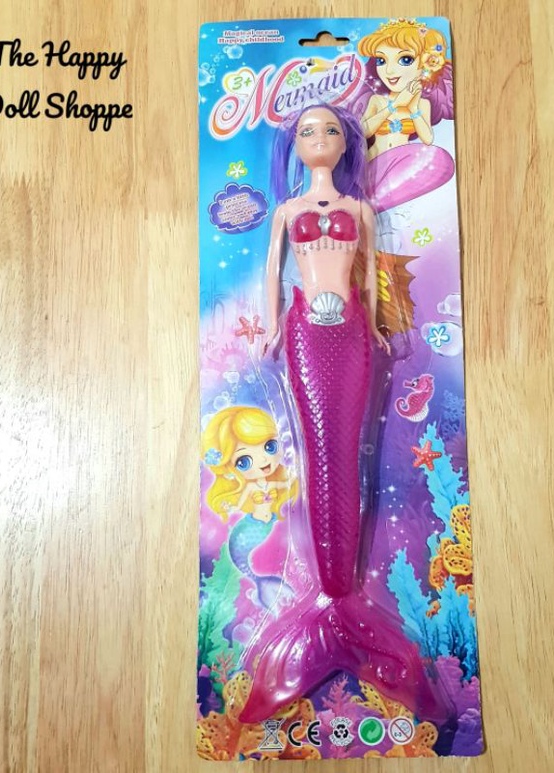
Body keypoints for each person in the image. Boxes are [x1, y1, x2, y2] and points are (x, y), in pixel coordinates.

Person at [238, 103, 445, 724]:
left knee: (347, 454)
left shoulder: (361, 210)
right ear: (296, 146)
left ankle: (342, 602)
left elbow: (371, 275)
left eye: (330, 130)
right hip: (305, 330)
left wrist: (379, 327)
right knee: (318, 452)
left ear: (345, 143)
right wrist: (273, 326)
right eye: (308, 131)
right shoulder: (287, 211)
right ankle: (331, 598)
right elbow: (273, 272)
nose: (319, 138)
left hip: (351, 329)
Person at [356, 18, 455, 213]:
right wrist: (394, 105)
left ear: (425, 64)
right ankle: (371, 210)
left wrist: (413, 108)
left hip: (402, 167)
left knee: (438, 158)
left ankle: (380, 211)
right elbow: (362, 132)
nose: (389, 70)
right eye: (381, 60)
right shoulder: (377, 100)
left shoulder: (422, 104)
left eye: (405, 59)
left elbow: (428, 139)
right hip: (374, 164)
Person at [202, 405, 296, 608]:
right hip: (250, 529)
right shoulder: (251, 488)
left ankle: (264, 584)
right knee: (243, 558)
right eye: (244, 461)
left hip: (267, 524)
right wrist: (230, 507)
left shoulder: (273, 483)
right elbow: (240, 500)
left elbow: (285, 485)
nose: (263, 461)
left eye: (270, 447)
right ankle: (262, 584)